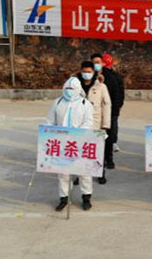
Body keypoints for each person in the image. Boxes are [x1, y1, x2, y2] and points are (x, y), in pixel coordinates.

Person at [45, 77, 95, 211]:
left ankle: (86, 197)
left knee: (84, 172)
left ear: (78, 89)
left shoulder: (85, 104)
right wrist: (48, 133)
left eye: (72, 89)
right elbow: (50, 121)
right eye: (67, 88)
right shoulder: (57, 102)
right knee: (63, 172)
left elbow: (89, 122)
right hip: (62, 143)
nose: (69, 91)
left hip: (80, 142)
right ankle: (64, 198)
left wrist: (78, 134)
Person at [78, 61, 112, 184]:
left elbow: (106, 105)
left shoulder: (101, 87)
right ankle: (80, 173)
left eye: (89, 72)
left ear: (93, 72)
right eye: (84, 71)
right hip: (80, 123)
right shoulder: (76, 86)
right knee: (81, 149)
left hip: (96, 122)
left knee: (96, 149)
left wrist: (105, 124)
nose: (86, 74)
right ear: (81, 71)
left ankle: (100, 172)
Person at [91, 53, 123, 169]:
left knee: (107, 137)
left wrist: (115, 112)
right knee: (93, 137)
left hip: (108, 112)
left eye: (98, 62)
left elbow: (117, 94)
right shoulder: (89, 77)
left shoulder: (111, 77)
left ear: (103, 63)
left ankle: (108, 159)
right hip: (92, 113)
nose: (96, 65)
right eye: (94, 62)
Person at [102, 53, 125, 153]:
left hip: (108, 105)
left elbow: (120, 92)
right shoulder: (117, 76)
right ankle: (113, 143)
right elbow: (121, 92)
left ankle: (107, 142)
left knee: (105, 124)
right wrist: (119, 104)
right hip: (113, 105)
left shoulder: (101, 76)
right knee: (112, 125)